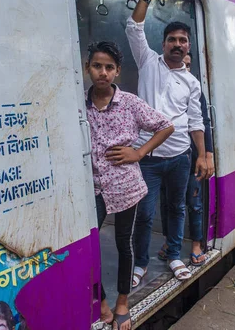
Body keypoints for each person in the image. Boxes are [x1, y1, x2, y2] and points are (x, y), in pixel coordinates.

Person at [126, 0, 211, 286]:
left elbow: (196, 121)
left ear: (188, 46)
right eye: (172, 39)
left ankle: (175, 255)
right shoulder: (147, 61)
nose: (177, 44)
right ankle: (140, 264)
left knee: (176, 209)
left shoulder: (192, 82)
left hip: (179, 157)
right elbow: (133, 29)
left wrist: (202, 155)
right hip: (146, 157)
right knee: (144, 214)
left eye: (182, 41)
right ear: (163, 44)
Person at [85, 41, 174, 329]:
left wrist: (139, 152)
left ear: (117, 72)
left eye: (109, 67)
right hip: (92, 189)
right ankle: (101, 302)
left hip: (126, 187)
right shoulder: (78, 104)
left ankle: (122, 301)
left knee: (124, 244)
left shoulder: (130, 103)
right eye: (97, 66)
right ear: (88, 69)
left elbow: (165, 126)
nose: (103, 72)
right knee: (89, 248)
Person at [158, 52, 214, 267]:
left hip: (191, 160)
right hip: (168, 155)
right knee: (168, 202)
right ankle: (170, 242)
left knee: (194, 203)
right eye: (183, 65)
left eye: (189, 66)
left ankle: (196, 245)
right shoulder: (163, 91)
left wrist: (207, 154)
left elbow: (203, 122)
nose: (185, 69)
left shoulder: (195, 90)